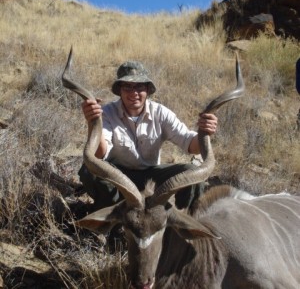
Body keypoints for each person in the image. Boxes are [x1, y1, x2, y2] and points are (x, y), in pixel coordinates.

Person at [78, 61, 218, 212]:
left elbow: (192, 145)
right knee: (90, 170)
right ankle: (115, 218)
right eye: (127, 87)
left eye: (139, 86)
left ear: (147, 90)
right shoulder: (106, 113)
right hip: (119, 177)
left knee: (193, 173)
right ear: (120, 90)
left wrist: (205, 131)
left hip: (151, 179)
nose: (134, 93)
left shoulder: (161, 113)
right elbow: (99, 153)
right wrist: (93, 122)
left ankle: (179, 224)